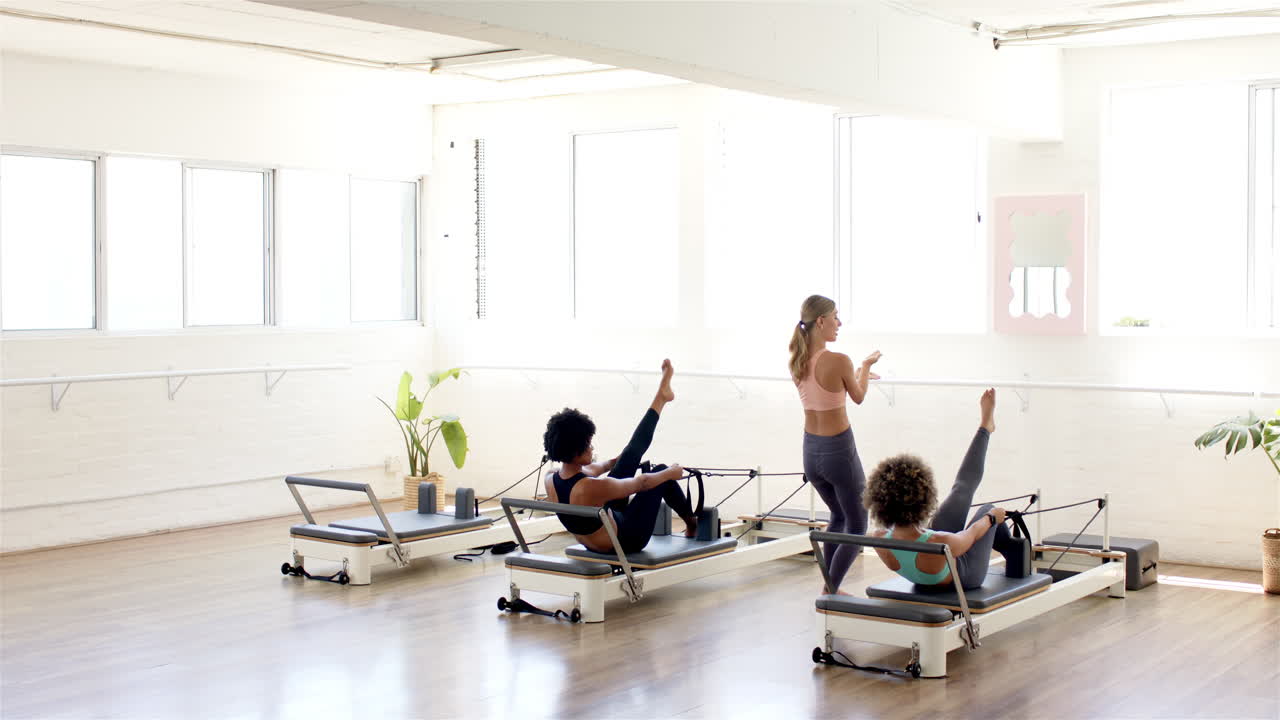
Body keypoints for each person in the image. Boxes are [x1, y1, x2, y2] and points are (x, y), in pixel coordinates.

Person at [863, 389, 1029, 590]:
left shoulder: (878, 537)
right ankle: (1011, 548)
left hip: (931, 563)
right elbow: (973, 533)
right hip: (966, 576)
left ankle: (985, 427)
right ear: (923, 500)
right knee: (987, 509)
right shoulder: (941, 542)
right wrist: (992, 518)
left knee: (961, 491)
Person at [543, 359, 698, 554]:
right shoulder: (590, 488)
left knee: (631, 453)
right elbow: (642, 483)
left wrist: (621, 460)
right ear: (576, 451)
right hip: (625, 539)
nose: (592, 448)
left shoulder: (551, 478)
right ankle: (692, 524)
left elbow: (596, 468)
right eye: (588, 445)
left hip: (604, 529)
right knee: (660, 473)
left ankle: (662, 397)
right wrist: (671, 473)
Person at [790, 294, 881, 593]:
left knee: (838, 516)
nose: (839, 323)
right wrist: (865, 367)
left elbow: (827, 390)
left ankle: (831, 585)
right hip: (838, 451)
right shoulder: (840, 360)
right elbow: (858, 396)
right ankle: (830, 589)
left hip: (810, 452)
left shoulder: (797, 361)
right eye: (835, 317)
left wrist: (855, 374)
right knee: (858, 523)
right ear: (821, 321)